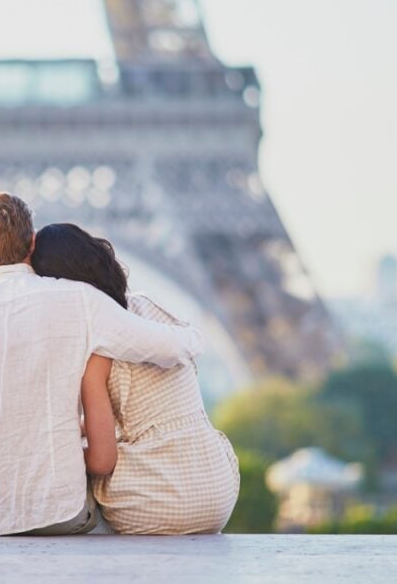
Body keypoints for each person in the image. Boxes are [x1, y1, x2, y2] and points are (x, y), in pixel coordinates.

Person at [0, 193, 206, 537]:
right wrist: (194, 337)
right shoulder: (78, 299)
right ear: (31, 244)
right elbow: (171, 347)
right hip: (58, 513)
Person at [30, 223, 240, 534]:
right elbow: (146, 412)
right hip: (216, 490)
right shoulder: (150, 310)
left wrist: (51, 452)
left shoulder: (95, 353)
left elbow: (102, 460)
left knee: (72, 489)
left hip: (156, 502)